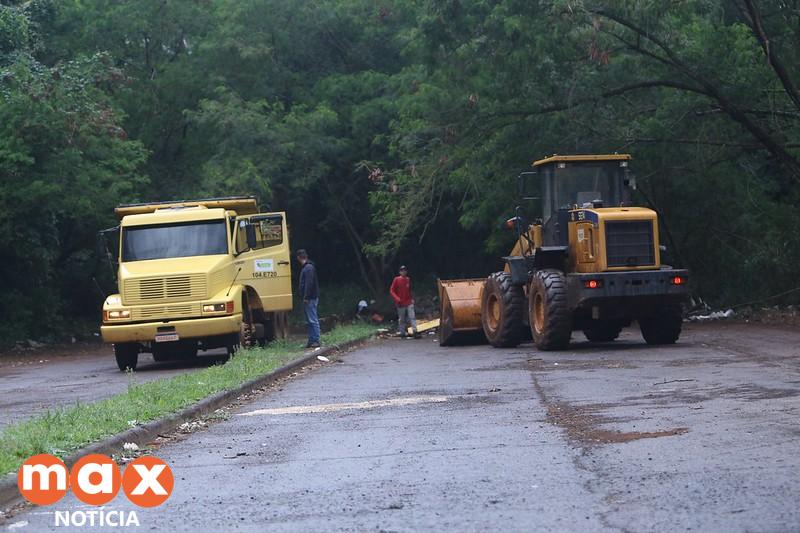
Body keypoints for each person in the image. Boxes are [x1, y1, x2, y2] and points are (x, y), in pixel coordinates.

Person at [296, 249, 320, 348]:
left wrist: (306, 296)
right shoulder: (308, 267)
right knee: (309, 320)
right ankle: (312, 340)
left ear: (298, 258)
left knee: (312, 319)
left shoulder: (308, 268)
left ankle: (316, 340)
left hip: (310, 298)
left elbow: (309, 284)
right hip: (310, 297)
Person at [390, 265, 421, 339]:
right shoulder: (396, 279)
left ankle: (415, 331)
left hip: (408, 301)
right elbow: (391, 291)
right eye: (402, 270)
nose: (403, 272)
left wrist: (411, 299)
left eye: (405, 270)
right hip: (400, 302)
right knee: (402, 319)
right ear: (400, 272)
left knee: (412, 317)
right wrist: (397, 299)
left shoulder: (408, 279)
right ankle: (402, 333)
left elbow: (409, 290)